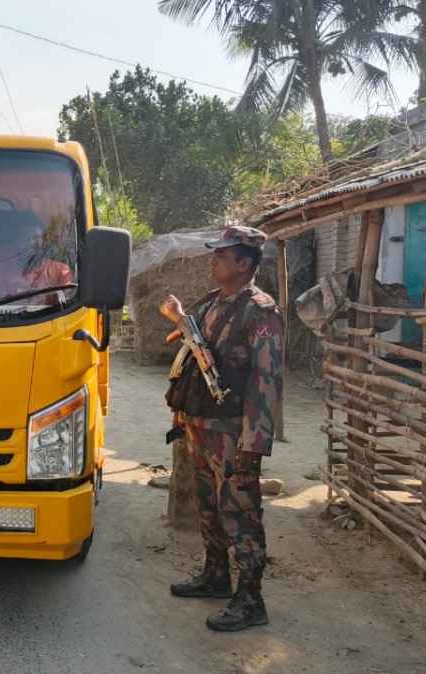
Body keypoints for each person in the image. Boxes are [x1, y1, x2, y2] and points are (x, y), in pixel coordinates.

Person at [163, 225, 284, 632]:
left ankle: (250, 599)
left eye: (222, 255)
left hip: (234, 433)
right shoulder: (214, 303)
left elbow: (266, 383)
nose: (213, 260)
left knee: (240, 513)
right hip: (203, 426)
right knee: (209, 506)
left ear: (245, 264)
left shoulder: (260, 312)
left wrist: (254, 445)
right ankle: (216, 576)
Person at [0, 210, 73, 296]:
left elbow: (68, 299)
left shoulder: (60, 271)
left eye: (36, 238)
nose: (32, 243)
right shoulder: (2, 273)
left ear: (44, 242)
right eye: (26, 238)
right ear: (16, 242)